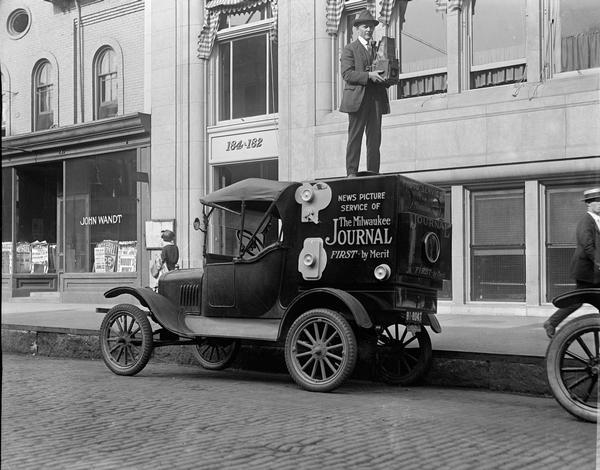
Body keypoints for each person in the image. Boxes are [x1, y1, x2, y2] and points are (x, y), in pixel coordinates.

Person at [339, 9, 390, 177]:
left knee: (375, 139)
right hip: (357, 100)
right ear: (357, 28)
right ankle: (351, 172)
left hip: (375, 99)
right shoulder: (349, 49)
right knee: (355, 137)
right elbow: (347, 74)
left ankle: (373, 172)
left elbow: (384, 70)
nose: (368, 30)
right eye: (365, 27)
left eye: (371, 27)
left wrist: (389, 77)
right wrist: (369, 76)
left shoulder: (379, 49)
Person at [543, 187, 600, 337]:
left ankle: (551, 322)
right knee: (577, 300)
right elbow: (588, 245)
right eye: (598, 201)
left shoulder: (597, 221)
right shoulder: (586, 221)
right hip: (587, 271)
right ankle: (551, 322)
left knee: (577, 301)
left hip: (592, 271)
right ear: (589, 204)